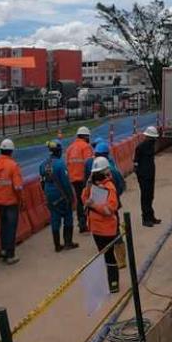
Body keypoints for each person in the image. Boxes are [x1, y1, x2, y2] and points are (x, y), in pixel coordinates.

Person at [82, 157, 121, 294]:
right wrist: (88, 186)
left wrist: (93, 205)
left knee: (109, 256)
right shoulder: (93, 185)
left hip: (107, 230)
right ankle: (109, 281)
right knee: (104, 255)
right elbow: (84, 198)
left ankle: (114, 284)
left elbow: (110, 209)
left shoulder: (109, 187)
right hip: (96, 228)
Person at [0, 138, 25, 264]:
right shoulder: (13, 166)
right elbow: (18, 187)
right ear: (11, 151)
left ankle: (3, 250)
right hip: (10, 202)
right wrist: (21, 200)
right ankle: (10, 255)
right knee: (11, 228)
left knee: (3, 226)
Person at [40, 140, 79, 252]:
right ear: (59, 151)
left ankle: (57, 245)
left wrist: (46, 193)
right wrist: (71, 197)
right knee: (68, 216)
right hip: (61, 194)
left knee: (54, 218)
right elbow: (66, 183)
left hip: (49, 194)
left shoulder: (43, 164)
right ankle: (68, 242)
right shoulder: (61, 164)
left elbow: (41, 180)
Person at [66, 126, 94, 233]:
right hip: (84, 178)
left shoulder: (70, 148)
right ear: (86, 136)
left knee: (79, 201)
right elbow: (89, 164)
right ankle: (85, 223)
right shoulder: (86, 147)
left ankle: (81, 222)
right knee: (87, 200)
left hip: (74, 178)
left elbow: (67, 164)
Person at [134, 126, 161, 227]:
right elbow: (135, 163)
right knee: (145, 197)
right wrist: (140, 175)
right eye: (153, 138)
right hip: (144, 176)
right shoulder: (140, 147)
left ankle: (151, 216)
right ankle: (145, 218)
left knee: (150, 196)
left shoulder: (151, 146)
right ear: (148, 137)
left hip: (150, 175)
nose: (154, 140)